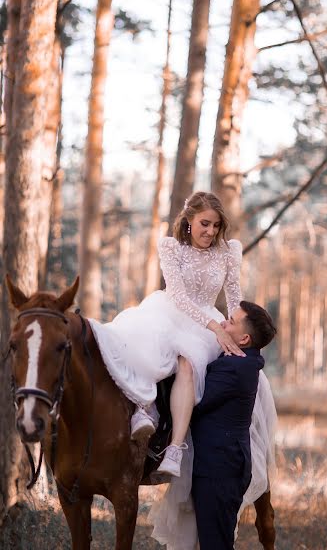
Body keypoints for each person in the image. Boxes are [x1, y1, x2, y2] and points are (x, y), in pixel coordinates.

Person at [88, 191, 246, 477]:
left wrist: (234, 330)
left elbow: (234, 297)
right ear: (189, 221)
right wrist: (213, 328)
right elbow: (177, 296)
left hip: (207, 321)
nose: (211, 231)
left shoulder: (229, 252)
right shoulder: (172, 247)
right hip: (170, 309)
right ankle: (142, 409)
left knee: (188, 362)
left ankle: (173, 451)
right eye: (204, 224)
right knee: (142, 335)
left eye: (216, 225)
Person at [191, 301, 277, 550]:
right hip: (224, 466)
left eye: (230, 321)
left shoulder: (235, 368)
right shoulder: (244, 362)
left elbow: (196, 405)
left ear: (244, 339)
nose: (222, 324)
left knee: (216, 544)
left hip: (219, 470)